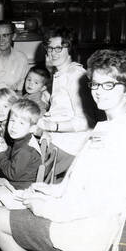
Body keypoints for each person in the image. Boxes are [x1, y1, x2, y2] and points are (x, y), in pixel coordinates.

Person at [0, 49, 126, 251]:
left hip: (83, 233)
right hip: (76, 217)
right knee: (5, 202)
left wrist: (43, 206)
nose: (98, 92)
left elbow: (94, 205)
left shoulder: (122, 138)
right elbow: (75, 182)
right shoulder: (105, 127)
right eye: (95, 84)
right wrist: (45, 190)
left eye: (109, 85)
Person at [36, 27, 94, 158]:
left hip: (70, 146)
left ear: (70, 49)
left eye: (58, 48)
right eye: (50, 48)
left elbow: (85, 121)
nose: (53, 53)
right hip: (56, 138)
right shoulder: (60, 73)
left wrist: (52, 126)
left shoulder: (76, 75)